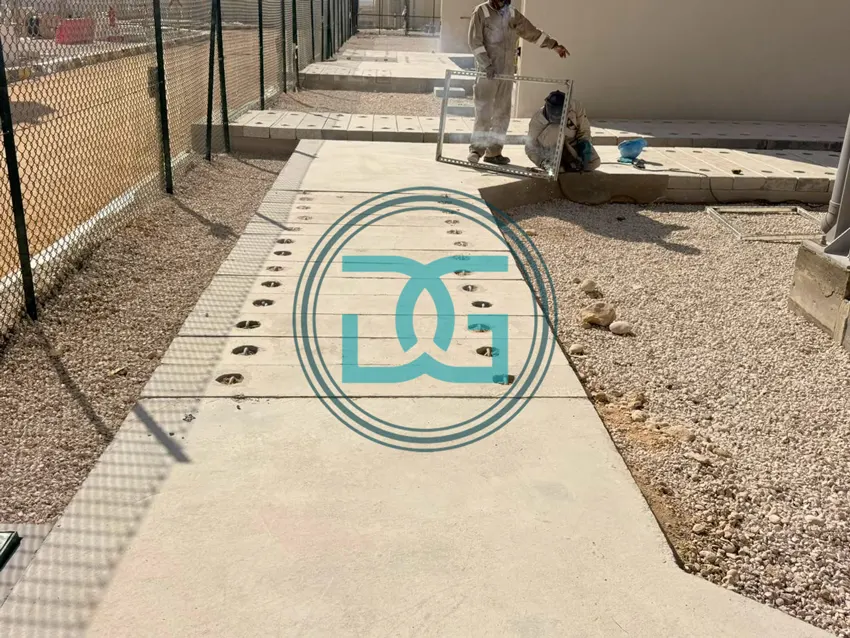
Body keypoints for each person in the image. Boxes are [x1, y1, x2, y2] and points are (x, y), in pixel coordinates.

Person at [467, 0, 569, 166]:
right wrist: (486, 65)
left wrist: (554, 45)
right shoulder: (481, 11)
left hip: (506, 74)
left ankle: (494, 152)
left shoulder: (511, 13)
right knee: (484, 113)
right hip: (487, 73)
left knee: (502, 114)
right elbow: (475, 42)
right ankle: (476, 151)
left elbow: (531, 32)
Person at [525, 90, 600, 173]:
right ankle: (559, 163)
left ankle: (572, 162)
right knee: (556, 129)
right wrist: (542, 162)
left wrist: (584, 146)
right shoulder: (537, 120)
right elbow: (529, 147)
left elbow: (584, 129)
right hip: (550, 149)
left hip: (571, 143)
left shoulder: (576, 107)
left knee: (593, 162)